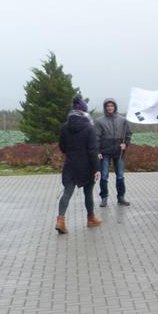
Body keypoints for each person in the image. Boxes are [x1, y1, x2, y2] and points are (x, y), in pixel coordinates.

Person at [55, 95, 101, 233]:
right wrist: (96, 168)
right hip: (86, 165)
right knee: (88, 193)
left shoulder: (65, 127)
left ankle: (60, 220)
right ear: (84, 111)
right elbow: (92, 150)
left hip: (70, 164)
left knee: (67, 192)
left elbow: (62, 146)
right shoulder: (89, 127)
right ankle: (91, 218)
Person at [94, 97, 132, 207]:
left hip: (119, 152)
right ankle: (104, 197)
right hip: (105, 152)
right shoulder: (99, 121)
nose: (110, 108)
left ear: (115, 107)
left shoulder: (123, 120)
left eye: (111, 106)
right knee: (104, 176)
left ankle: (121, 197)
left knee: (120, 176)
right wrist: (98, 151)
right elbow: (97, 137)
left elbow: (128, 134)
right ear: (105, 107)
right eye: (108, 106)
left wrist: (126, 144)